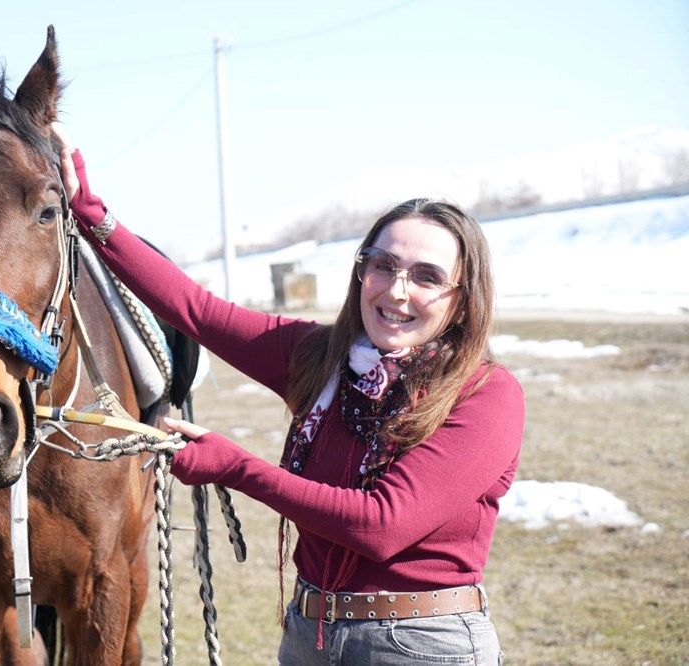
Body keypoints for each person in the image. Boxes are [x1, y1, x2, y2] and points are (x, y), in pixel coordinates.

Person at [53, 123, 524, 665]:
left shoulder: (487, 395)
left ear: (462, 301)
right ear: (361, 271)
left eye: (426, 276)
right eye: (384, 265)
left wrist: (236, 467)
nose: (397, 290)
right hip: (310, 634)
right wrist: (92, 215)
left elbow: (381, 525)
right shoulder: (322, 357)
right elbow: (196, 311)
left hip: (421, 644)